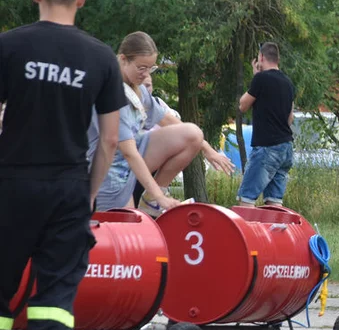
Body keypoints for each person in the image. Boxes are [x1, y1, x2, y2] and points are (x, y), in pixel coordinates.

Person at [0, 0, 124, 330]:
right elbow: (109, 140)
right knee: (54, 295)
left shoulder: (8, 46)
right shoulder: (99, 58)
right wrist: (88, 194)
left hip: (10, 183)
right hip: (67, 188)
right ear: (82, 1)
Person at [89, 32, 232, 217]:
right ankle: (151, 199)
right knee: (126, 231)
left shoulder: (138, 89)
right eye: (141, 68)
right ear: (123, 59)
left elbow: (167, 119)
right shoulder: (112, 92)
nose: (146, 75)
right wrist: (162, 198)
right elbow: (129, 153)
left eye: (151, 68)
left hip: (129, 162)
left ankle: (150, 200)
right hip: (108, 174)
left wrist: (207, 149)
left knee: (193, 134)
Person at [237, 41, 296, 207]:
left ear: (261, 57)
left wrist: (256, 77)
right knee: (274, 203)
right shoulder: (288, 83)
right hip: (286, 148)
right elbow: (289, 118)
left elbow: (242, 106)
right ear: (278, 59)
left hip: (267, 148)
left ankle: (245, 233)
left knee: (246, 199)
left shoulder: (261, 79)